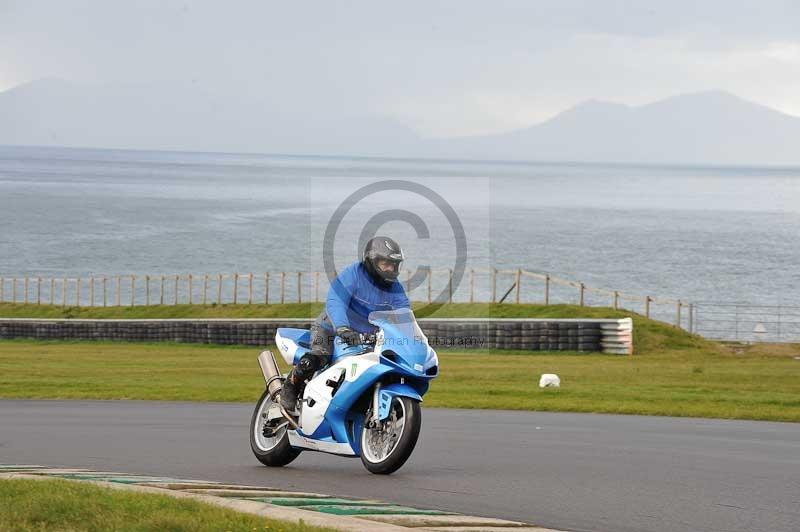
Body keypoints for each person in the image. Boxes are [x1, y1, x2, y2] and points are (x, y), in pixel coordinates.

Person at [279, 236, 410, 414]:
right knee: (320, 355)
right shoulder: (353, 274)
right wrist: (342, 328)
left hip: (367, 339)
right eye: (385, 263)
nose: (390, 268)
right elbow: (336, 301)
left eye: (393, 264)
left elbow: (404, 315)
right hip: (330, 329)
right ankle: (291, 386)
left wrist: (410, 337)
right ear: (371, 261)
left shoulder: (395, 288)